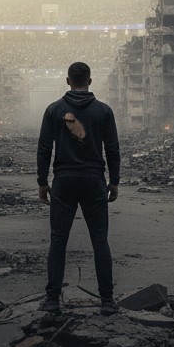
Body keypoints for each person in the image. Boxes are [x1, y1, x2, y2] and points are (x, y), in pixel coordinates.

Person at [37, 61, 121, 315]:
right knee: (99, 241)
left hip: (64, 181)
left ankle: (52, 299)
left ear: (67, 81)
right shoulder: (103, 111)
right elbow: (113, 149)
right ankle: (106, 300)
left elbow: (44, 148)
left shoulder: (54, 110)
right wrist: (114, 181)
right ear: (90, 81)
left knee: (58, 241)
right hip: (94, 181)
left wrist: (42, 181)